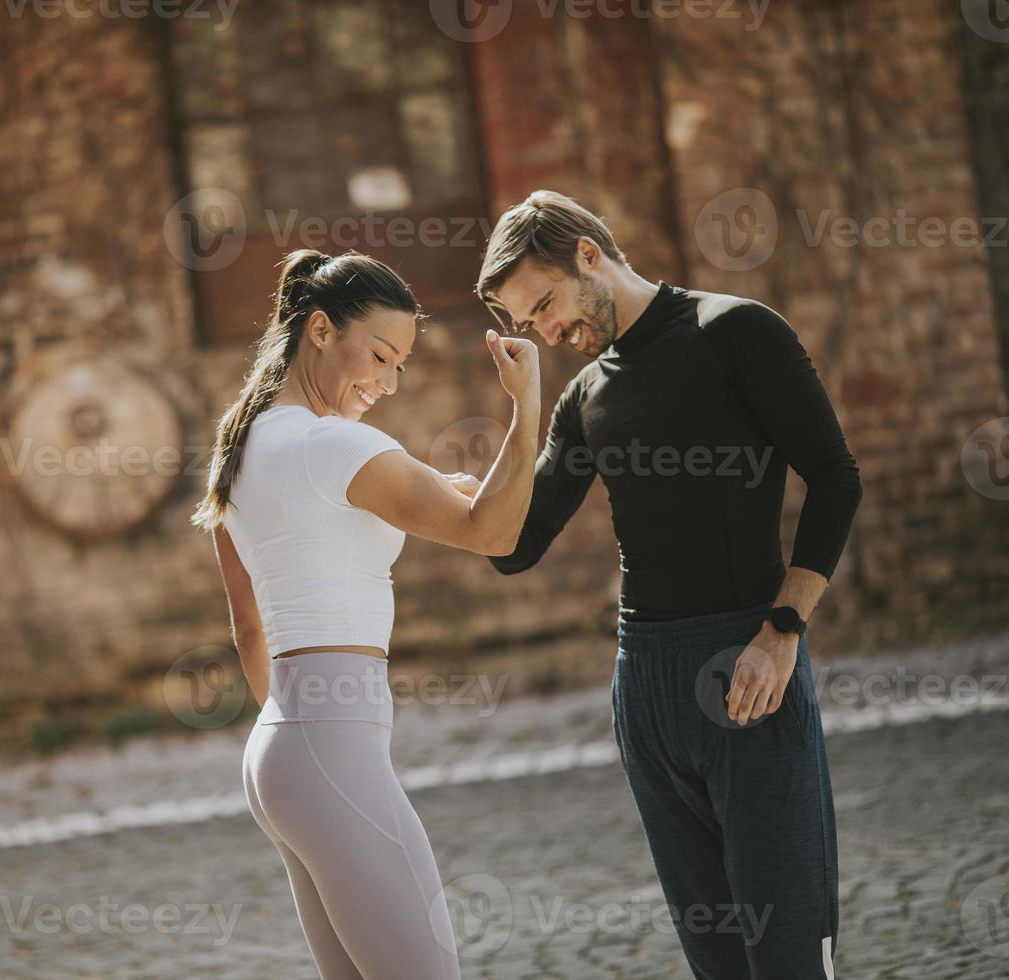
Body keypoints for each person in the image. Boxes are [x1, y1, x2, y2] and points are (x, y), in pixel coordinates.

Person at [477, 190, 863, 979]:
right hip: (644, 689)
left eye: (545, 304)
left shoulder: (736, 331)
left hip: (746, 668)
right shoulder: (584, 396)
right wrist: (523, 406)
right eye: (529, 324)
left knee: (788, 954)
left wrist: (782, 632)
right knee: (717, 962)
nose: (548, 332)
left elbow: (834, 478)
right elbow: (511, 548)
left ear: (589, 253)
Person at [190, 248, 540, 978]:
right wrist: (527, 402)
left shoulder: (239, 447)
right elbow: (493, 531)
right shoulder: (336, 445)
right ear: (319, 330)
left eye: (400, 367)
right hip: (328, 749)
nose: (386, 382)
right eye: (378, 355)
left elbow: (249, 629)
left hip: (279, 751)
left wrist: (301, 734)